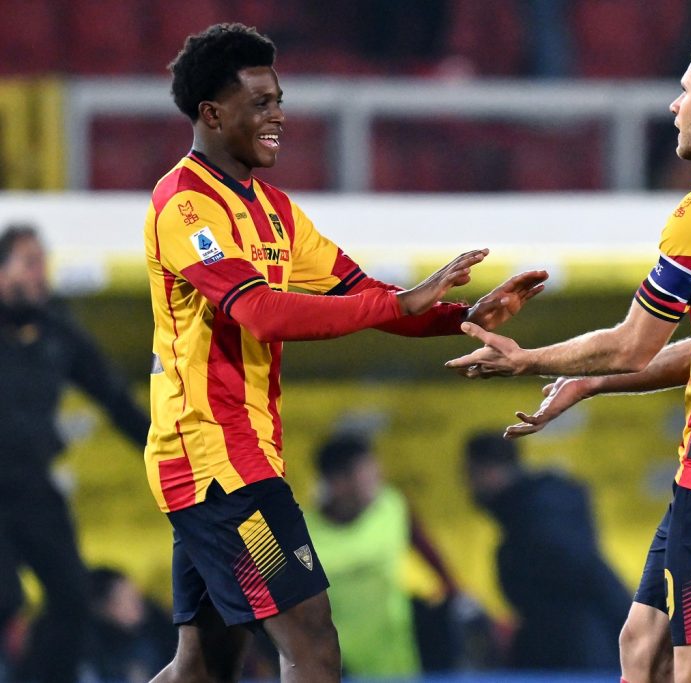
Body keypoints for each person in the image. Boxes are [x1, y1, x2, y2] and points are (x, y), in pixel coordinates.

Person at [144, 23, 546, 683]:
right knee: (314, 644)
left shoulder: (275, 211)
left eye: (279, 100)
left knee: (204, 664)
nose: (278, 115)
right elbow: (261, 312)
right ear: (212, 114)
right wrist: (403, 304)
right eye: (260, 102)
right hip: (218, 465)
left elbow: (363, 293)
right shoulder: (186, 207)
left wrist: (463, 317)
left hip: (230, 459)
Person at [448, 34, 691, 683]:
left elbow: (635, 342)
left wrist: (529, 358)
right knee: (642, 645)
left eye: (685, 90)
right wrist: (591, 382)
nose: (674, 105)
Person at [0, 224, 150, 683]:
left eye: (43, 263)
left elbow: (114, 398)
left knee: (73, 599)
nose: (40, 274)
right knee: (5, 598)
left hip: (32, 487)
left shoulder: (57, 332)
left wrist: (163, 450)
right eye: (29, 263)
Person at [465, 432, 630, 671]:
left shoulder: (537, 520)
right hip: (567, 652)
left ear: (489, 472)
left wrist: (637, 634)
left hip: (573, 658)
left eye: (469, 474)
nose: (467, 486)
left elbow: (589, 573)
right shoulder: (527, 515)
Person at [304, 431, 459, 678]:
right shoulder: (301, 533)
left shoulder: (391, 507)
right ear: (337, 482)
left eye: (376, 472)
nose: (377, 481)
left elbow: (428, 551)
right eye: (366, 475)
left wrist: (453, 592)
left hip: (395, 658)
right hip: (333, 664)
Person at [82, 567, 178, 683]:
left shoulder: (160, 630)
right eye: (128, 600)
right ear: (103, 609)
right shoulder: (94, 659)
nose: (139, 604)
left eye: (136, 596)